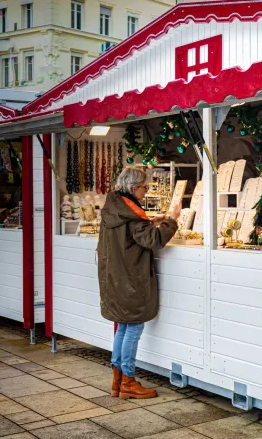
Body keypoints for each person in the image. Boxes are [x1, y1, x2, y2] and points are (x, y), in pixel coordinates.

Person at [97, 167, 179, 399]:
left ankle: (118, 381)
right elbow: (154, 239)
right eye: (144, 187)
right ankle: (129, 382)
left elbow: (131, 234)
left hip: (115, 279)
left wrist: (151, 220)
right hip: (130, 281)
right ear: (134, 188)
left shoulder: (115, 208)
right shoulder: (132, 215)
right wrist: (171, 220)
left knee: (123, 327)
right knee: (133, 328)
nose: (146, 191)